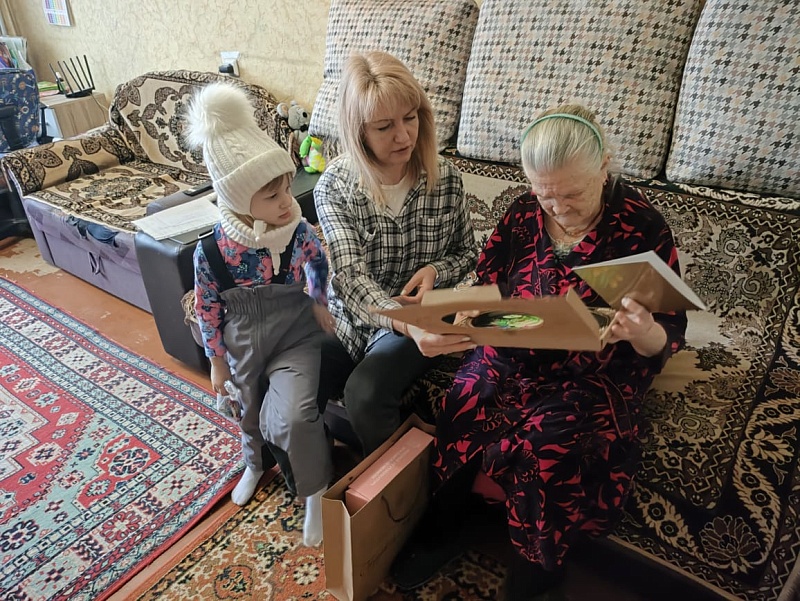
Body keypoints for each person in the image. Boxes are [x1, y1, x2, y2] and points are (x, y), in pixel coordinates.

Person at [392, 104, 688, 599]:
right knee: (464, 399)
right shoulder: (522, 212)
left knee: (547, 444)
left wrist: (642, 331)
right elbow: (488, 286)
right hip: (517, 347)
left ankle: (538, 568)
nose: (559, 209)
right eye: (545, 194)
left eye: (573, 194)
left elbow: (667, 333)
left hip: (595, 369)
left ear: (604, 167)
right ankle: (449, 523)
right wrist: (457, 316)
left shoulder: (641, 227)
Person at [187, 82, 335, 547]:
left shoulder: (299, 231)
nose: (287, 202)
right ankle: (253, 464)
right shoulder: (212, 251)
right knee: (246, 411)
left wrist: (318, 301)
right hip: (242, 341)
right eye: (272, 196)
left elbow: (318, 264)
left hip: (295, 336)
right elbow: (207, 307)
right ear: (237, 198)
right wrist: (216, 360)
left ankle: (316, 492)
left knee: (295, 417)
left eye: (287, 188)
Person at [314, 51, 477, 455]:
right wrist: (403, 322)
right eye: (385, 126)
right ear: (359, 132)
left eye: (410, 118)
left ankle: (401, 490)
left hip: (420, 315)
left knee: (365, 393)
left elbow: (467, 253)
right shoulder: (334, 187)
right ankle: (313, 476)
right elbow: (350, 278)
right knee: (294, 375)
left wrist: (436, 271)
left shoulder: (446, 179)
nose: (404, 137)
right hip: (352, 318)